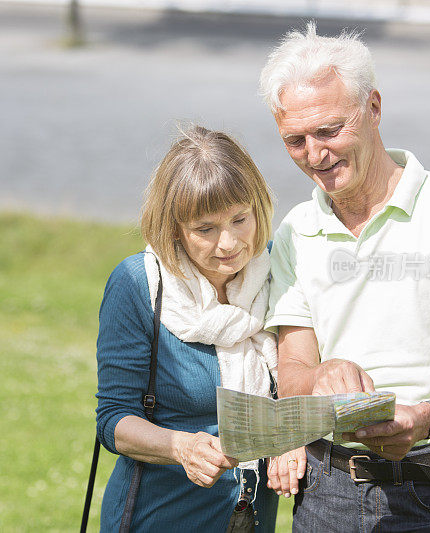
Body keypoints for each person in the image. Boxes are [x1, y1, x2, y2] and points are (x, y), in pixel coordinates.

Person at [259, 23, 430, 531]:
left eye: (329, 131)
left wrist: (428, 416)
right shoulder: (295, 229)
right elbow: (291, 372)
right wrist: (318, 376)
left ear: (373, 108)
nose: (315, 155)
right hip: (327, 488)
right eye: (295, 140)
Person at [95, 125, 302, 532]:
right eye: (205, 229)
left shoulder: (279, 270)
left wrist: (290, 436)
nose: (228, 243)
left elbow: (299, 382)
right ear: (174, 229)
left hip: (251, 516)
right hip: (159, 515)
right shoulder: (139, 284)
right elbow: (113, 419)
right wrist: (181, 446)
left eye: (240, 219)